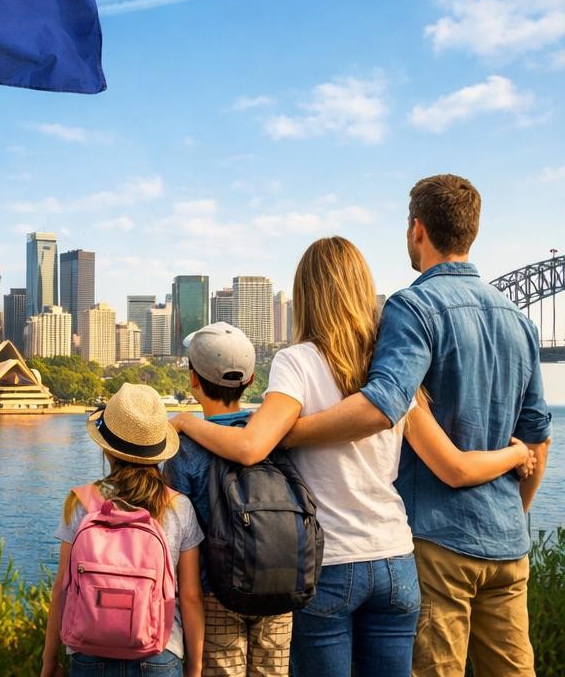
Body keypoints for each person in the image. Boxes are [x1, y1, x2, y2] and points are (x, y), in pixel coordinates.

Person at [170, 236, 534, 677]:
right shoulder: (395, 373)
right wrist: (514, 454)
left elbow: (251, 447)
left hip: (330, 566)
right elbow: (453, 465)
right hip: (396, 562)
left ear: (306, 294)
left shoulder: (297, 361)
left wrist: (187, 423)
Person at [281, 175, 552, 677]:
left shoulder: (414, 307)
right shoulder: (519, 320)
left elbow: (382, 405)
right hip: (508, 548)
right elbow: (538, 436)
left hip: (438, 542)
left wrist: (286, 431)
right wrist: (511, 515)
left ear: (417, 229)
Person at [41, 382, 205, 677]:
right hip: (161, 650)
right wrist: (195, 667)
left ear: (108, 450)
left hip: (89, 651)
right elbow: (191, 596)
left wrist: (49, 661)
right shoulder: (178, 506)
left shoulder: (81, 502)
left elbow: (62, 590)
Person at [163, 322, 292, 677]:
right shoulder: (270, 434)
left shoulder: (184, 448)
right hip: (278, 585)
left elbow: (175, 532)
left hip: (215, 590)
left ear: (193, 380)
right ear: (251, 381)